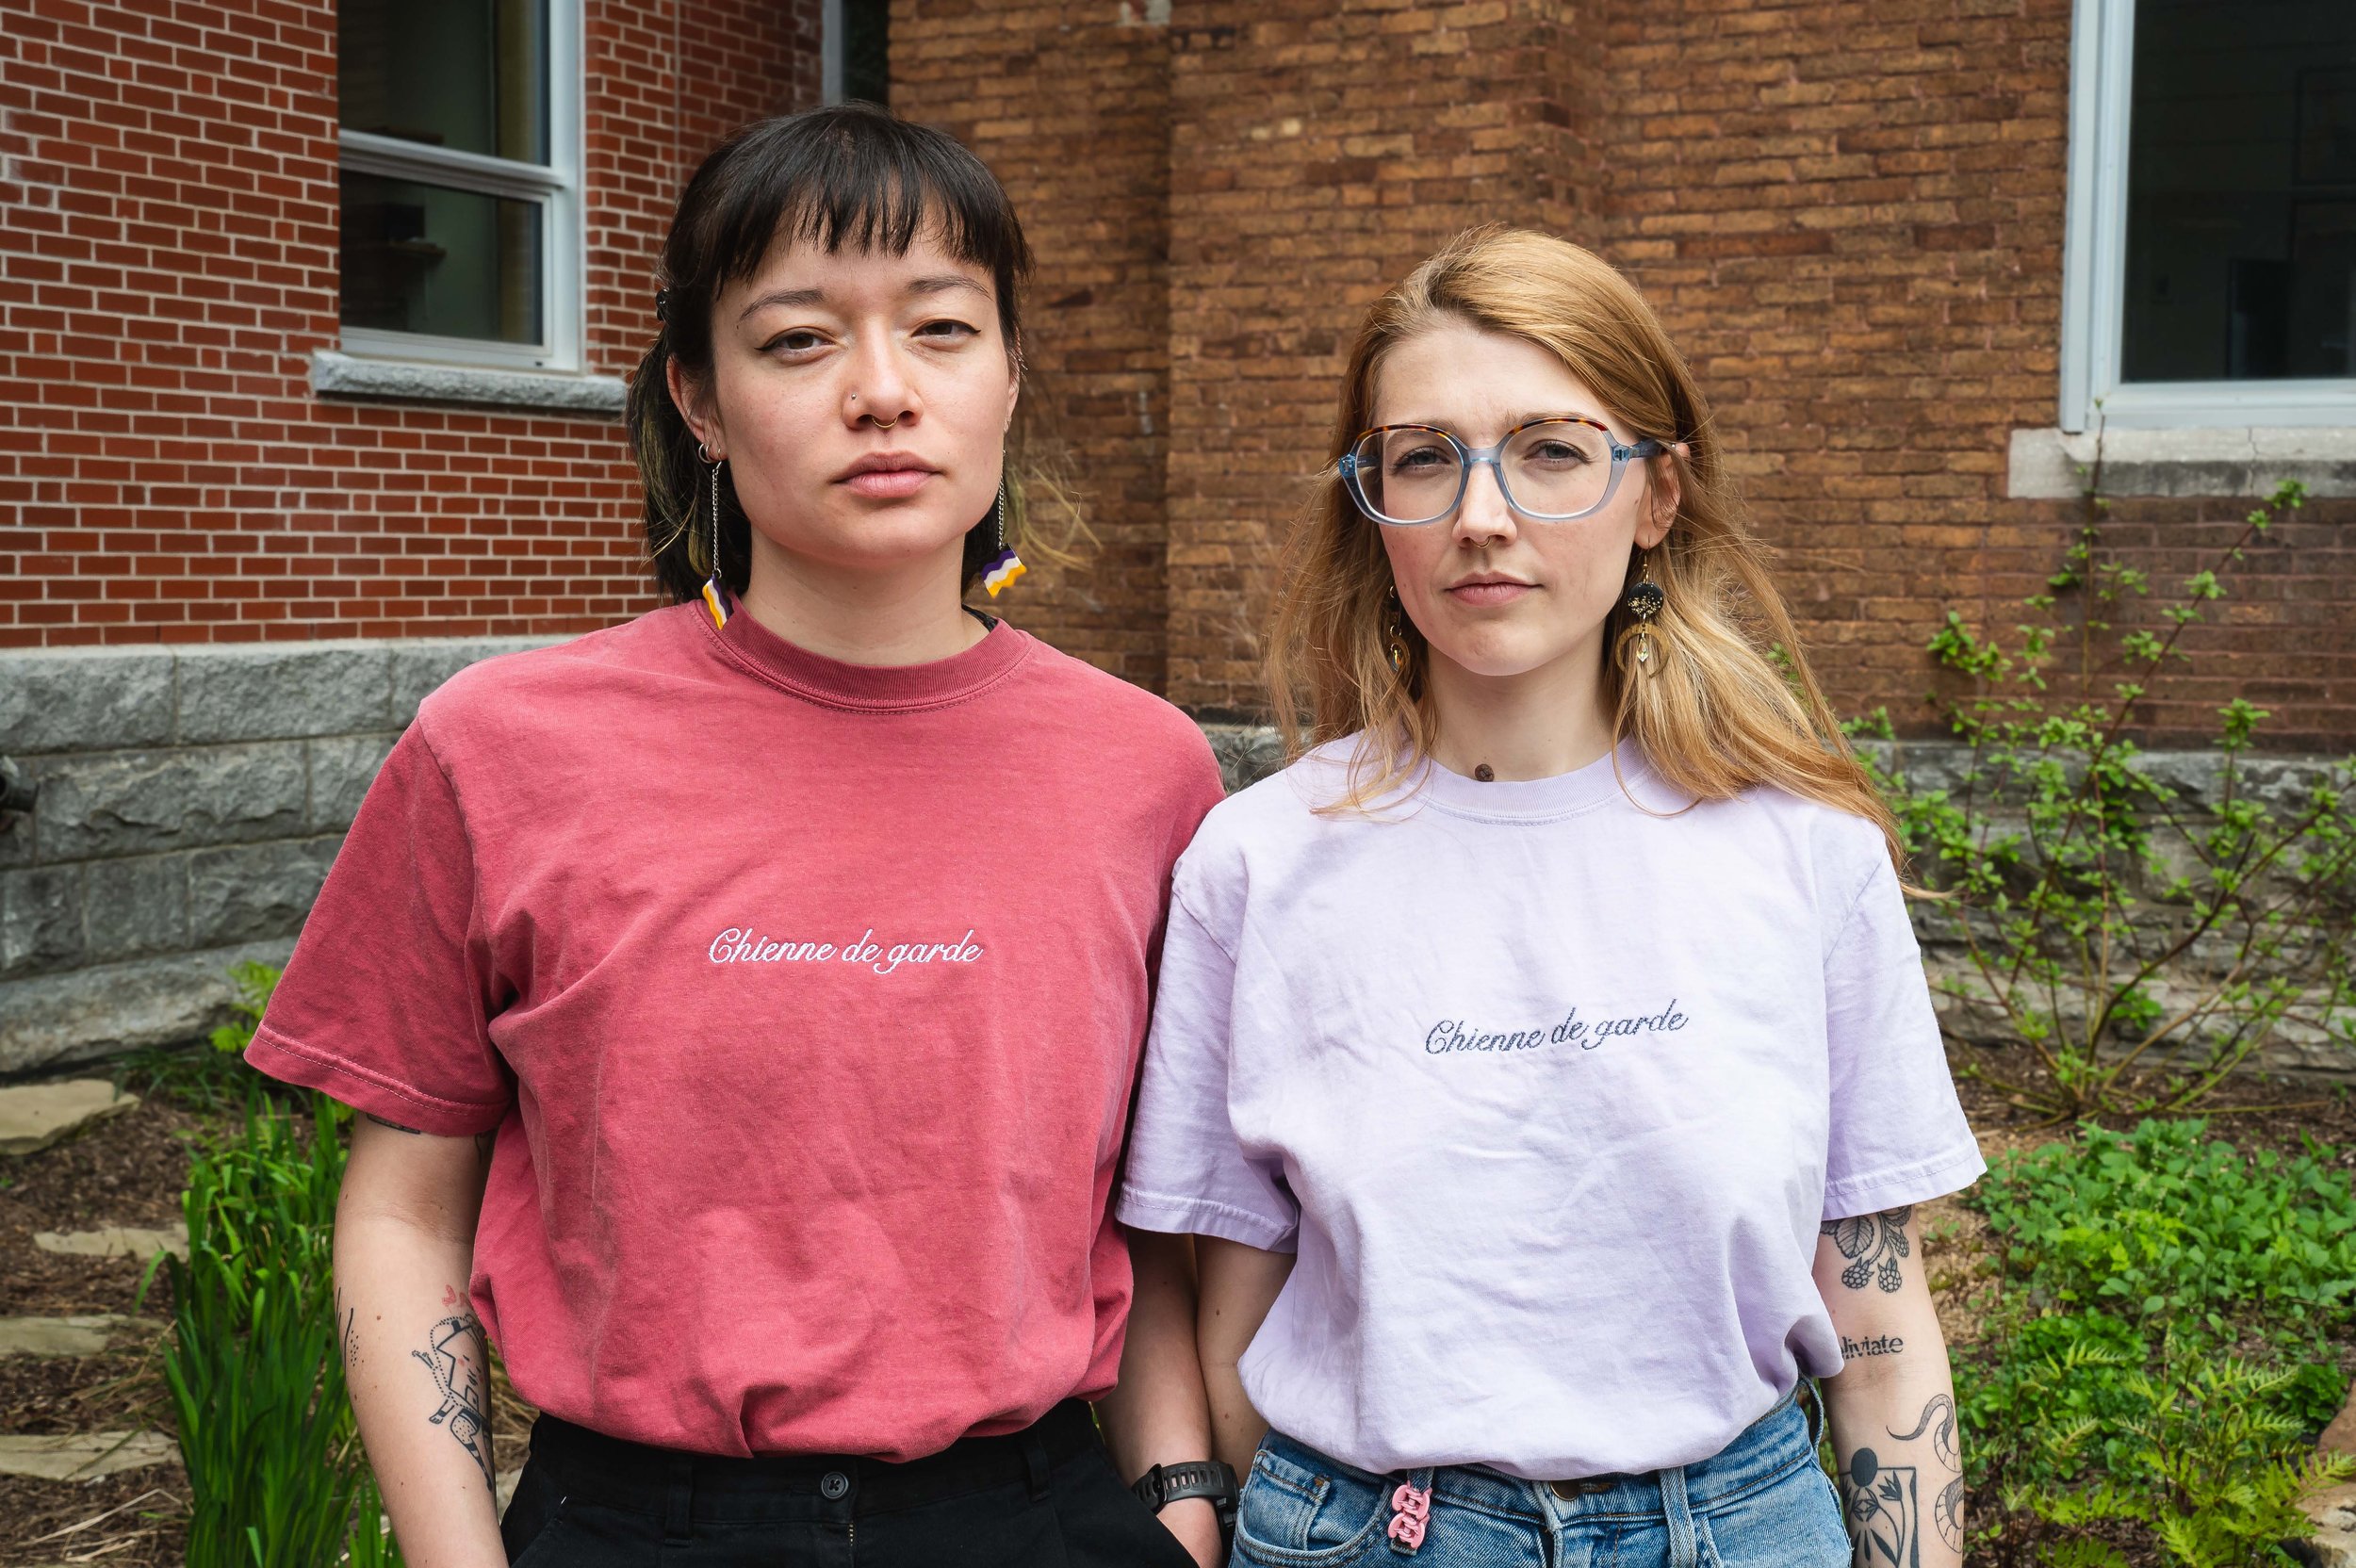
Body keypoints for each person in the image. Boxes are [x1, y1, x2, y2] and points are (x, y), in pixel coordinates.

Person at [246, 105, 1231, 1568]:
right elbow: (402, 1213)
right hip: (632, 1522)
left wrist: (1181, 1515)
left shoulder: (1146, 772)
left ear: (1012, 375)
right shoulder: (501, 749)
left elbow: (1156, 1227)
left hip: (1033, 1515)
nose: (883, 392)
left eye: (943, 330)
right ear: (698, 399)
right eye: (797, 341)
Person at [1118, 227, 1984, 1568]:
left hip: (1744, 1527)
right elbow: (1230, 1308)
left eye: (1552, 450)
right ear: (1372, 503)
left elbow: (1876, 1327)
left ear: (1658, 497)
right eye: (1424, 458)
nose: (1480, 514)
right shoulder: (1257, 864)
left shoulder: (1808, 854)